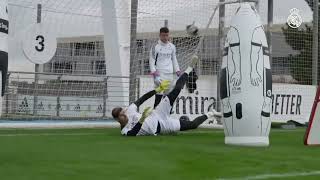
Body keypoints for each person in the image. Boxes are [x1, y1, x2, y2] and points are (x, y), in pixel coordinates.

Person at [112, 58, 222, 136]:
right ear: (117, 119)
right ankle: (210, 113)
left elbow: (143, 98)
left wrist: (157, 90)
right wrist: (142, 119)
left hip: (157, 114)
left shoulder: (130, 110)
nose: (125, 114)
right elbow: (133, 134)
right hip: (163, 127)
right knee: (192, 125)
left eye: (124, 111)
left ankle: (189, 69)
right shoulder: (125, 131)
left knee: (176, 91)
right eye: (122, 115)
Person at [149, 27, 181, 108]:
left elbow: (174, 59)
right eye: (163, 35)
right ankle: (155, 116)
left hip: (170, 74)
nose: (165, 37)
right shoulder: (155, 47)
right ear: (160, 35)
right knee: (159, 94)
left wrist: (177, 71)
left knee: (169, 96)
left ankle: (167, 115)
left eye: (167, 35)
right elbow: (151, 62)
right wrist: (155, 75)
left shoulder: (172, 46)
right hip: (159, 74)